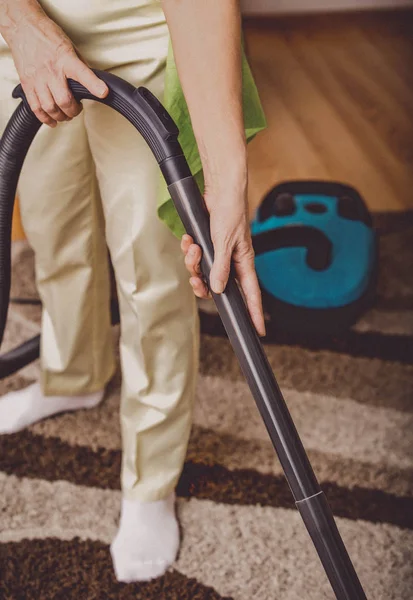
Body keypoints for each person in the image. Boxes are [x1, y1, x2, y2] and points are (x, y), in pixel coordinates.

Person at [0, 0, 265, 583]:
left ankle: (151, 477)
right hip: (15, 30)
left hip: (143, 28)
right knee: (53, 226)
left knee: (153, 266)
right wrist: (19, 22)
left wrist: (224, 183)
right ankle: (72, 374)